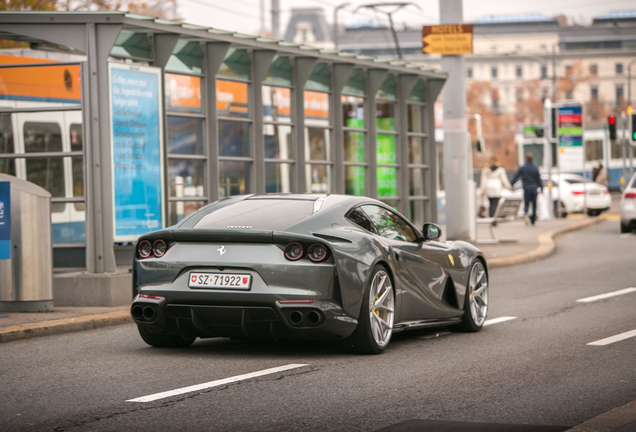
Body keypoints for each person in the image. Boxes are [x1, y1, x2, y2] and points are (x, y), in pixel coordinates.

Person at [512, 152, 543, 226]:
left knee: (526, 203)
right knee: (534, 204)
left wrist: (511, 184)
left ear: (526, 159)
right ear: (532, 159)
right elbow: (539, 179)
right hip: (534, 188)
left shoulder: (522, 168)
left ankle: (526, 213)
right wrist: (541, 188)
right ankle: (533, 219)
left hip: (526, 188)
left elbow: (516, 176)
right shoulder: (535, 168)